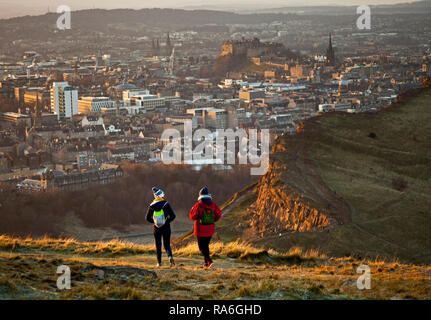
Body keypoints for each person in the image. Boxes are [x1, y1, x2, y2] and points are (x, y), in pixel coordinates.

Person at [189, 187, 222, 268]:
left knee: (201, 247)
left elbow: (193, 216)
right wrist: (213, 220)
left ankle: (209, 261)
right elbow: (219, 214)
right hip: (210, 229)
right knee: (206, 246)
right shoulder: (213, 204)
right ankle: (206, 264)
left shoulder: (198, 205)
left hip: (200, 229)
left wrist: (192, 210)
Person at [146, 187, 176, 267]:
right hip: (166, 227)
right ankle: (170, 257)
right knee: (167, 244)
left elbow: (147, 218)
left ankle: (159, 263)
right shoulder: (166, 204)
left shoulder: (152, 205)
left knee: (158, 245)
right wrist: (167, 221)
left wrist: (155, 222)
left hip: (156, 228)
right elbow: (173, 216)